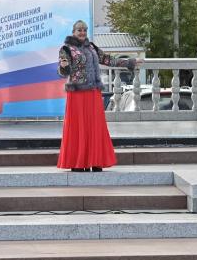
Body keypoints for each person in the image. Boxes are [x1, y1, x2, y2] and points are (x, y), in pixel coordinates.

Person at [57, 20, 142, 172]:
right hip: (77, 93)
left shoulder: (92, 47)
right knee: (78, 127)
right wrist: (63, 68)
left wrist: (131, 62)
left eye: (84, 30)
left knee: (95, 127)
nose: (82, 32)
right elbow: (63, 71)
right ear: (73, 32)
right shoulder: (67, 49)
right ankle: (79, 163)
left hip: (93, 92)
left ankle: (95, 161)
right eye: (79, 30)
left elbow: (109, 60)